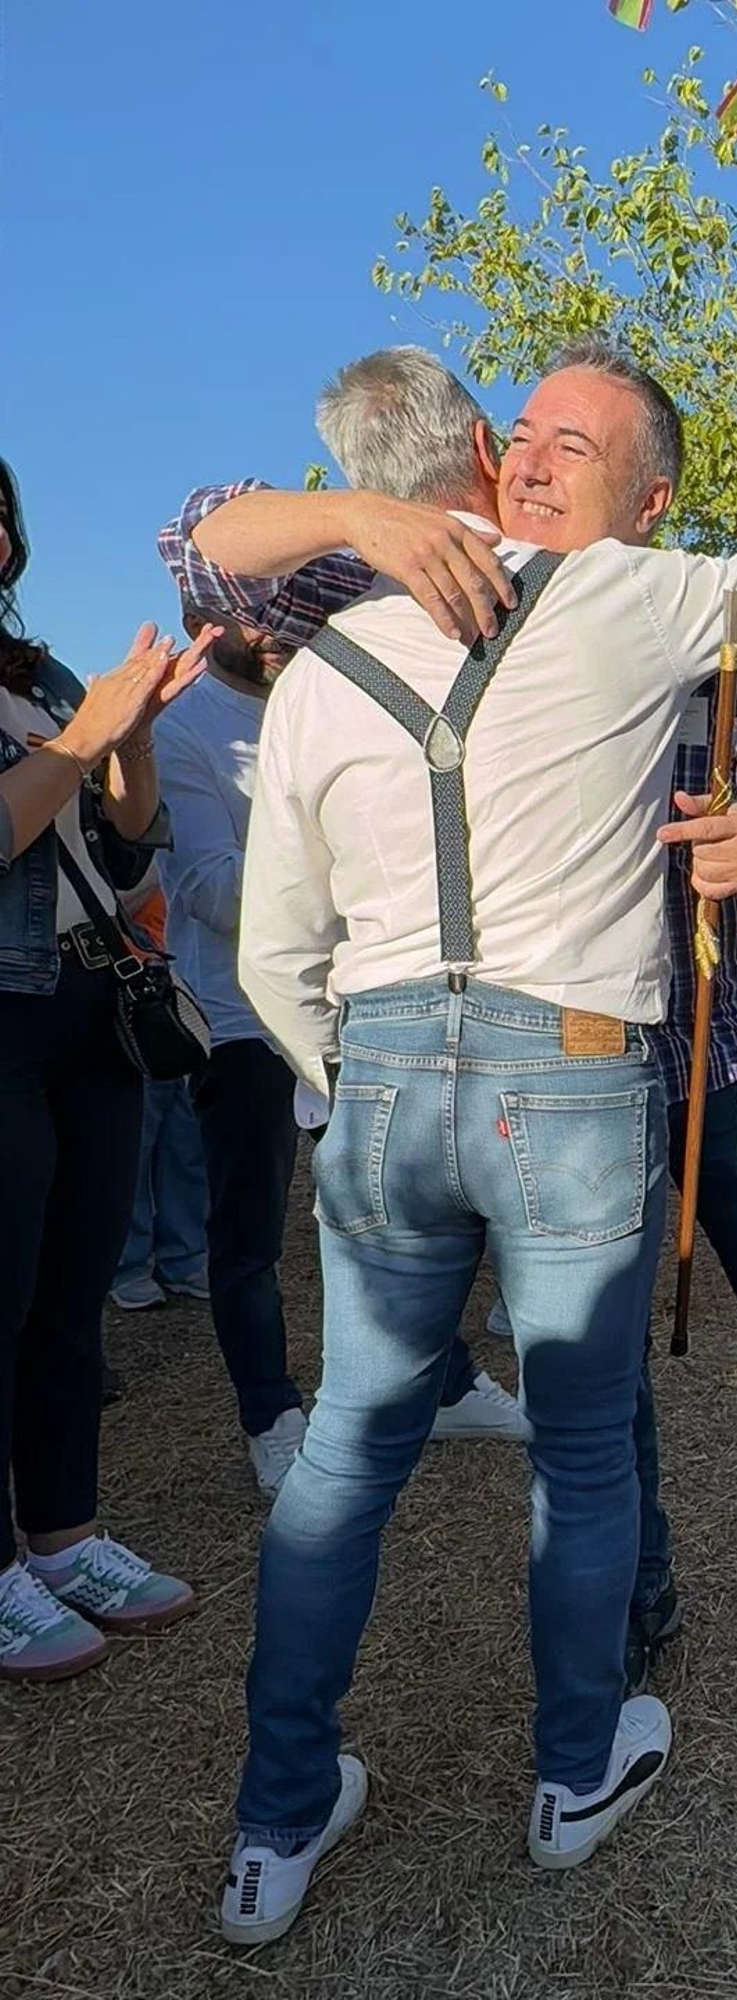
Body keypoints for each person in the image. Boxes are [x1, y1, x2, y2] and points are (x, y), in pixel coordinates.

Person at [196, 346, 737, 1941]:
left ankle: (278, 1823)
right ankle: (571, 1774)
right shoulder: (632, 597)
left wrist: (344, 1070)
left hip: (388, 1069)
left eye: (575, 443)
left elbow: (278, 948)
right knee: (578, 1445)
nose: (540, 462)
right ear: (479, 454)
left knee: (352, 1445)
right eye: (528, 438)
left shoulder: (323, 659)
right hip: (570, 1069)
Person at [152, 568, 523, 1497]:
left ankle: (441, 1384)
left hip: (367, 1007)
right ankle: (273, 1414)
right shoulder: (183, 728)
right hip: (243, 1024)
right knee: (249, 1239)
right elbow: (205, 888)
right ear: (202, 623)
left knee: (407, 1209)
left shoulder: (329, 692)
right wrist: (348, 882)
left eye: (290, 608)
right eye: (255, 611)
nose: (280, 626)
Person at [0, 456, 211, 1682]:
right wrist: (81, 740)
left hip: (92, 1010)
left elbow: (131, 850)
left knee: (70, 1296)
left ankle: (65, 1536)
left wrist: (123, 744)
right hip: (4, 1019)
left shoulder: (45, 677)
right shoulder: (55, 707)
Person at [108, 887, 210, 1311]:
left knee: (184, 1139)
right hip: (131, 986)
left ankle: (185, 1255)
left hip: (178, 987)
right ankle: (128, 1266)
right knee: (137, 1144)